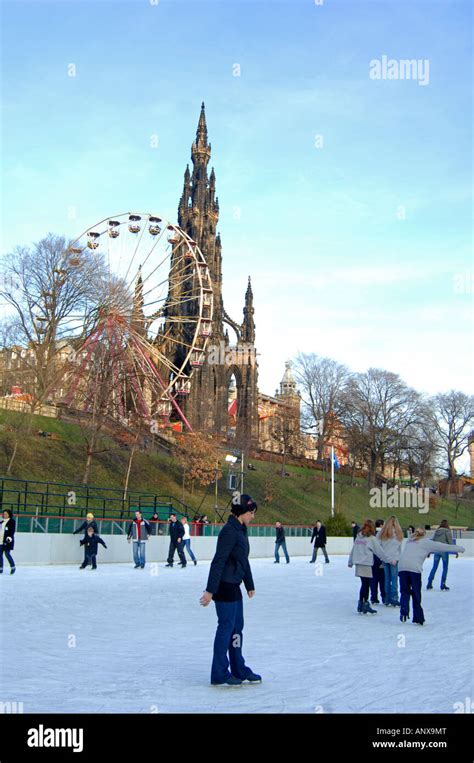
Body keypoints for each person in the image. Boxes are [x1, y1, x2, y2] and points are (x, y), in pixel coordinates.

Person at [200, 494, 261, 687]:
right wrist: (210, 591)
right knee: (226, 629)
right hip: (224, 588)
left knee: (236, 630)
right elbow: (218, 561)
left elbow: (242, 558)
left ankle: (238, 668)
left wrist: (249, 583)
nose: (253, 516)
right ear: (242, 512)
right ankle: (219, 672)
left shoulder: (241, 529)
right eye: (251, 513)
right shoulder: (229, 531)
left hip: (234, 586)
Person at [398, 527, 465, 625]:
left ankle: (403, 613)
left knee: (404, 591)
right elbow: (443, 547)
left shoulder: (409, 540)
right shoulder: (426, 542)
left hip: (402, 567)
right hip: (414, 569)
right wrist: (459, 549)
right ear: (424, 534)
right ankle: (418, 618)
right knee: (416, 593)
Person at [348, 519, 396, 615]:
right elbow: (380, 552)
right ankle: (365, 604)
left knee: (364, 584)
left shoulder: (359, 537)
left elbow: (353, 549)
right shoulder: (371, 539)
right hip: (366, 564)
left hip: (358, 563)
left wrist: (350, 561)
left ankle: (361, 604)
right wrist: (390, 560)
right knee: (366, 585)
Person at [379, 516, 403, 606]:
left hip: (385, 558)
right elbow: (399, 548)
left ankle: (387, 598)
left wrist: (383, 557)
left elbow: (379, 546)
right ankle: (394, 598)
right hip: (395, 559)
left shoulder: (383, 533)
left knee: (387, 579)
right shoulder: (398, 533)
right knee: (394, 579)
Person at [427, 520, 456, 591]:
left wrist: (429, 551)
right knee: (445, 568)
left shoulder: (437, 531)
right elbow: (450, 542)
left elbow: (433, 541)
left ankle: (429, 583)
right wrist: (455, 550)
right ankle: (443, 584)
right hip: (444, 551)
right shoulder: (447, 531)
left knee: (434, 567)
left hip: (437, 551)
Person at [370, 519, 385, 604]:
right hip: (380, 557)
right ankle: (384, 596)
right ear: (381, 525)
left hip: (373, 558)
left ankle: (373, 597)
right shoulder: (382, 534)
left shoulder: (372, 534)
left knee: (373, 579)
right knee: (382, 579)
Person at [0, 509, 16, 574]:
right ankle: (0, 568)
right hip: (0, 540)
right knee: (0, 555)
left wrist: (9, 538)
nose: (5, 515)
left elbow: (12, 531)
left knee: (7, 554)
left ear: (9, 514)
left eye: (6, 514)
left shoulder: (12, 521)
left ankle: (13, 567)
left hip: (7, 541)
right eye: (4, 514)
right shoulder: (1, 522)